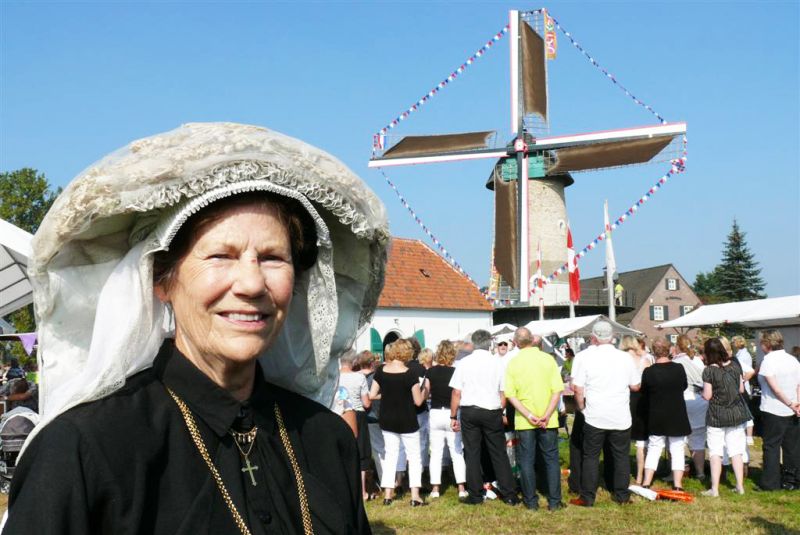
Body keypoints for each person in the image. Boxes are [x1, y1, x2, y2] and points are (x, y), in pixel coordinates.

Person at [4, 123, 389, 534]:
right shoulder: (82, 448)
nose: (252, 284)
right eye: (221, 255)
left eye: (273, 258)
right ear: (162, 279)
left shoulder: (326, 439)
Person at [570, 321, 640, 507]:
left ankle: (587, 497)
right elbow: (635, 385)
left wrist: (581, 408)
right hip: (620, 414)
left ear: (593, 337)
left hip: (595, 414)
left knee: (591, 456)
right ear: (613, 337)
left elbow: (577, 388)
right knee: (621, 456)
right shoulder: (625, 358)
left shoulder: (585, 357)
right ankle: (621, 495)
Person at [449, 330, 518, 506]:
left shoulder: (464, 363)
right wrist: (500, 410)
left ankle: (475, 494)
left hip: (470, 410)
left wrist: (453, 415)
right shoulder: (498, 363)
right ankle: (509, 494)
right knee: (498, 452)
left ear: (473, 343)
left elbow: (456, 392)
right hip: (492, 409)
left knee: (472, 452)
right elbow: (503, 392)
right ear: (490, 343)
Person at [504, 327, 564, 511]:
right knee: (551, 459)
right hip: (548, 418)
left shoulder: (513, 363)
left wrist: (528, 414)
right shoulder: (548, 359)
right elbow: (557, 390)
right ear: (532, 339)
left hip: (525, 420)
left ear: (515, 343)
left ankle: (531, 501)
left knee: (526, 460)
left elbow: (510, 395)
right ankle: (554, 500)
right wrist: (547, 414)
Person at [369, 339, 428, 506]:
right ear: (407, 353)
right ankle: (415, 496)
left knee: (390, 454)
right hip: (407, 419)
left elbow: (372, 395)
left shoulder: (381, 371)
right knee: (414, 456)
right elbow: (418, 401)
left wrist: (387, 395)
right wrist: (425, 391)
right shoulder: (410, 373)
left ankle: (388, 494)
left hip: (387, 419)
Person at [701, 338, 751, 497]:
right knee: (736, 451)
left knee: (715, 452)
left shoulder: (709, 371)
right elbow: (741, 389)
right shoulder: (735, 366)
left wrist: (702, 393)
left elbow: (707, 395)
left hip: (717, 415)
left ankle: (714, 489)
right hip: (735, 413)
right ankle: (740, 486)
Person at [640, 339, 691, 490]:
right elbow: (684, 386)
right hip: (676, 412)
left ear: (653, 352)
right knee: (677, 449)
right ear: (669, 350)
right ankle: (677, 484)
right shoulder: (678, 368)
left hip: (656, 413)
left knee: (654, 447)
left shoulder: (649, 372)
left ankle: (646, 482)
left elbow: (644, 392)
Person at [756, 329, 800, 491]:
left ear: (766, 343)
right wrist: (797, 403)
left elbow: (775, 388)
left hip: (774, 409)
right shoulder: (792, 359)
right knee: (792, 447)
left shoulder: (768, 361)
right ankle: (792, 481)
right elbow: (798, 384)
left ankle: (771, 483)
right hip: (792, 409)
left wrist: (791, 403)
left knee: (771, 447)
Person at [425, 340, 467, 499]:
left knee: (436, 452)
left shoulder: (431, 371)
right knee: (456, 451)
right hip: (453, 412)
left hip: (436, 412)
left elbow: (426, 393)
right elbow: (459, 393)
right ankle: (461, 487)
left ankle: (435, 488)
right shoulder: (457, 371)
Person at [673, 334, 708, 481]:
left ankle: (681, 470)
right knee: (698, 438)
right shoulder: (698, 361)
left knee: (678, 439)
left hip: (684, 399)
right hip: (700, 400)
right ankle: (700, 473)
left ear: (677, 346)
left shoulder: (676, 362)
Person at [339, 350, 373, 501]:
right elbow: (366, 402)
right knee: (361, 452)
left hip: (339, 414)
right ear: (354, 362)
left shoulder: (335, 376)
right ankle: (362, 491)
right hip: (357, 414)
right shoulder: (359, 377)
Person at [620, 335, 652, 485]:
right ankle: (640, 475)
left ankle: (621, 472)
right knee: (641, 441)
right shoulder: (644, 360)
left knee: (621, 439)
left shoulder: (619, 359)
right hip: (641, 400)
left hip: (623, 398)